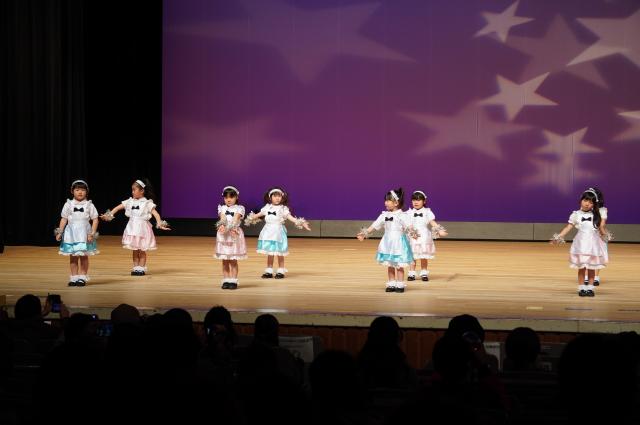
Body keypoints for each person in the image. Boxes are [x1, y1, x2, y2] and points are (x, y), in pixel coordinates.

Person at [100, 178, 170, 276]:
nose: (132, 192)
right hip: (132, 228)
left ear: (142, 191)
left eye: (134, 190)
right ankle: (136, 267)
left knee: (142, 250)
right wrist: (109, 215)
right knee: (135, 249)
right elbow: (118, 208)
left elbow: (156, 214)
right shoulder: (130, 201)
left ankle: (141, 268)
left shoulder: (147, 203)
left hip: (143, 229)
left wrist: (159, 223)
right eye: (132, 190)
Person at [357, 188, 417, 292]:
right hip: (387, 243)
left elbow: (409, 227)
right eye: (385, 200)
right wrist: (364, 233)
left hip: (398, 243)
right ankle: (391, 283)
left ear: (396, 203)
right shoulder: (384, 215)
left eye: (388, 200)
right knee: (390, 265)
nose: (385, 202)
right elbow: (375, 225)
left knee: (399, 265)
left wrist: (414, 234)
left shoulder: (402, 215)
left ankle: (400, 285)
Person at [551, 188, 608, 296]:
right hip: (581, 245)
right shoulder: (576, 214)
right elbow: (568, 227)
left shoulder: (596, 215)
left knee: (591, 268)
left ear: (594, 204)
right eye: (585, 200)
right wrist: (559, 237)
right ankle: (581, 288)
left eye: (590, 202)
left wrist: (605, 236)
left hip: (592, 245)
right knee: (582, 268)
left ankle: (590, 289)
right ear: (580, 200)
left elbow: (601, 229)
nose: (587, 204)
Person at [245, 187, 310, 279]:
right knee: (270, 252)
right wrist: (249, 218)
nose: (277, 198)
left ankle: (280, 270)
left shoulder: (283, 208)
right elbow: (258, 215)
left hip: (278, 232)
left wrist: (301, 222)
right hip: (268, 232)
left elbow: (291, 218)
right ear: (270, 197)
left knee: (280, 253)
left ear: (282, 197)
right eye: (275, 196)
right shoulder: (267, 207)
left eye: (279, 196)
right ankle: (269, 270)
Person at [55, 180, 99, 286]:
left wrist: (92, 233)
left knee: (84, 256)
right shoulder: (68, 204)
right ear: (72, 191)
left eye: (83, 190)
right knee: (73, 257)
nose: (80, 192)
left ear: (86, 192)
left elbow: (95, 219)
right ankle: (74, 277)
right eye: (77, 190)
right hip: (71, 235)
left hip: (84, 234)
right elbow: (64, 219)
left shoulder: (89, 205)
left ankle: (82, 277)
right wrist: (59, 232)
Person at [406, 190, 447, 282]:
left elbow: (432, 222)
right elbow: (408, 224)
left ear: (424, 201)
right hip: (413, 235)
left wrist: (440, 230)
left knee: (423, 255)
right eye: (414, 200)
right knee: (412, 255)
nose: (416, 202)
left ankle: (424, 272)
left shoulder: (427, 212)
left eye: (418, 200)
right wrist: (412, 232)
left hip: (424, 236)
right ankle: (411, 272)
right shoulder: (409, 212)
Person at [215, 186, 247, 290]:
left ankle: (233, 280)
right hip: (224, 235)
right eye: (226, 197)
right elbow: (223, 218)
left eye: (231, 197)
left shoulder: (240, 208)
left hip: (234, 234)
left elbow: (236, 218)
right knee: (224, 260)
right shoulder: (222, 208)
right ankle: (226, 280)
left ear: (236, 197)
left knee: (233, 260)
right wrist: (222, 226)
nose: (228, 200)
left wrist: (230, 227)